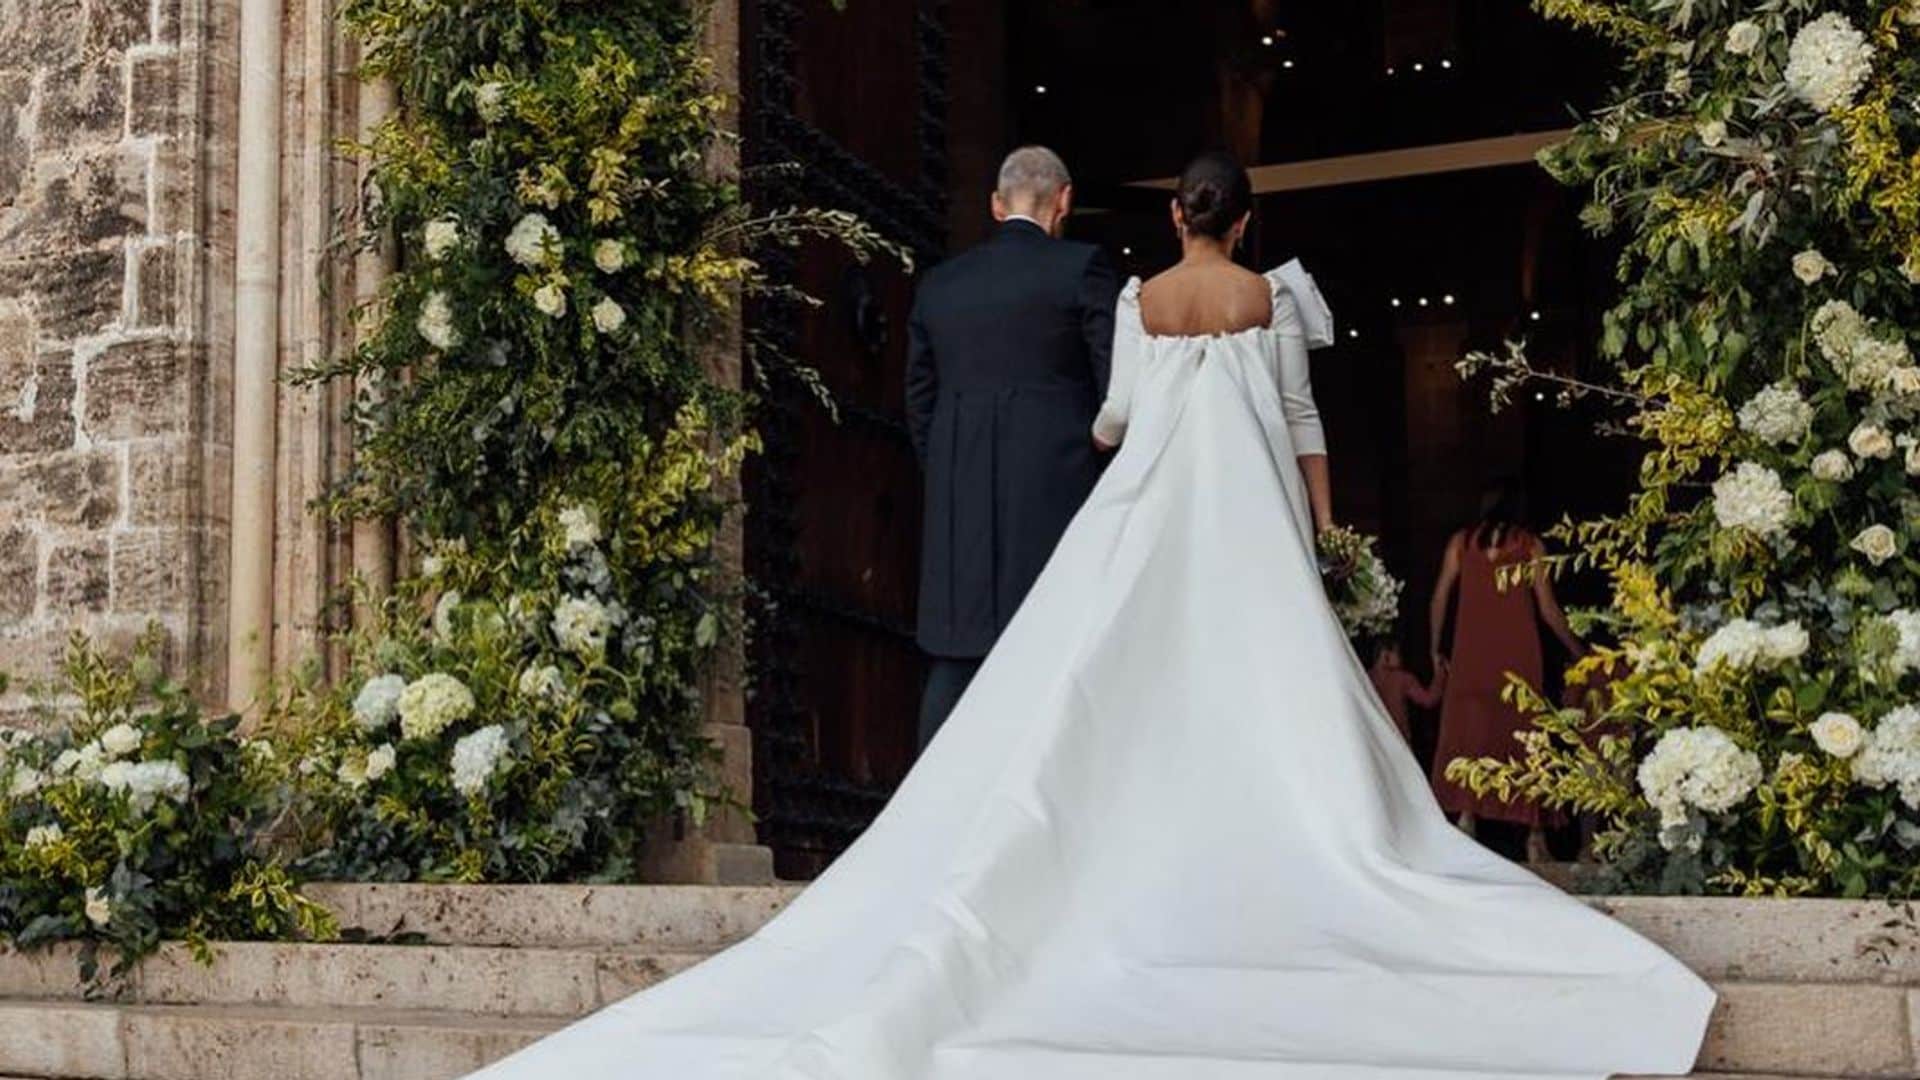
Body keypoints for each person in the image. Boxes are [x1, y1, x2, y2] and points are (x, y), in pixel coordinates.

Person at [467, 153, 1710, 1080]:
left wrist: (1119, 419)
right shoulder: (1272, 302)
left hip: (1159, 509)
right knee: (1266, 684)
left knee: (1114, 672)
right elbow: (1301, 425)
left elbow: (1115, 422)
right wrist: (1327, 529)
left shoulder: (1141, 298)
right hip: (1252, 524)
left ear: (1176, 214)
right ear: (1249, 218)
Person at [904, 146, 1121, 748]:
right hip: (1058, 498)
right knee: (1059, 660)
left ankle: (930, 822)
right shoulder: (1083, 269)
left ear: (997, 206)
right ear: (1065, 201)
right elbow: (1117, 393)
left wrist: (949, 469)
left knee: (954, 665)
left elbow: (919, 404)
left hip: (959, 506)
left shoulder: (940, 286)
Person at [1428, 479, 1587, 864]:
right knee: (1524, 736)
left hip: (1471, 655)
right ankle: (1534, 836)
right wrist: (1578, 650)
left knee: (1470, 734)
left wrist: (1435, 649)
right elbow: (1548, 611)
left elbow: (1439, 598)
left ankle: (1467, 819)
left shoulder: (1460, 544)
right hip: (1518, 658)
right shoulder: (1530, 546)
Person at [1367, 641, 1446, 744]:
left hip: (1374, 739)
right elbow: (1429, 700)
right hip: (1398, 738)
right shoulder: (1402, 679)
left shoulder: (1365, 678)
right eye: (1397, 653)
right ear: (1385, 655)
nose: (1401, 658)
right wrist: (1440, 672)